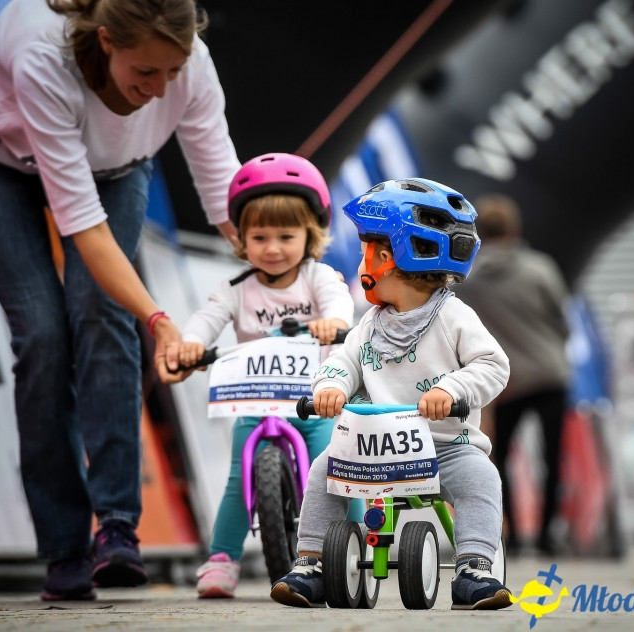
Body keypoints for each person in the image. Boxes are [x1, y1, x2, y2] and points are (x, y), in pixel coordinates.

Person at [0, 0, 241, 601]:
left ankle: (118, 530)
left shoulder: (192, 63)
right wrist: (158, 321)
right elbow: (86, 230)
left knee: (103, 318)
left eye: (172, 73)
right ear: (106, 42)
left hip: (118, 169)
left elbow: (221, 182)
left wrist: (275, 252)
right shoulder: (42, 55)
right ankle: (64, 549)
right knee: (45, 336)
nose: (159, 91)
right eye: (144, 74)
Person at [269, 178, 513, 611]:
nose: (362, 259)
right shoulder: (369, 323)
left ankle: (474, 565)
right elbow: (344, 362)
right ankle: (313, 563)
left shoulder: (453, 316)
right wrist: (330, 387)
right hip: (371, 447)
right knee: (325, 468)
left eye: (367, 249)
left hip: (444, 447)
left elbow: (493, 366)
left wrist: (452, 388)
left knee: (481, 477)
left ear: (387, 257)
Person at [166, 152, 362, 599]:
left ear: (310, 234)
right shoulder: (236, 288)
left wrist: (332, 321)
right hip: (254, 400)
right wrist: (192, 342)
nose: (272, 248)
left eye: (285, 236)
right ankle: (222, 559)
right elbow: (206, 319)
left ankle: (356, 541)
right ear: (242, 239)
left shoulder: (318, 277)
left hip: (314, 400)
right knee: (240, 477)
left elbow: (339, 304)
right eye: (259, 237)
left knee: (335, 469)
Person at [456, 194, 571, 557]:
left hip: (507, 382)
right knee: (553, 457)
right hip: (550, 374)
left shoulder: (467, 280)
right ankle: (549, 536)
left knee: (501, 456)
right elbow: (562, 322)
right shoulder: (541, 269)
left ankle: (516, 536)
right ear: (515, 228)